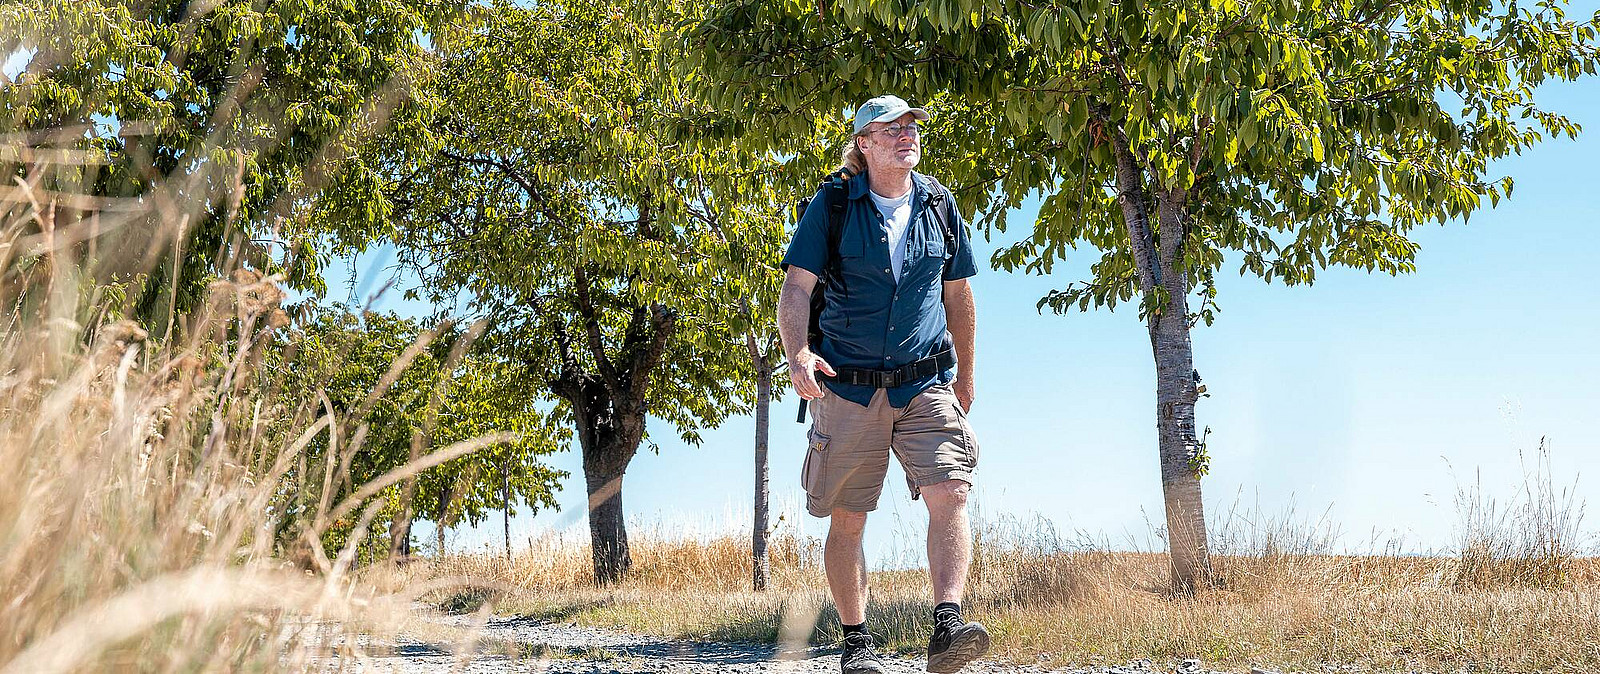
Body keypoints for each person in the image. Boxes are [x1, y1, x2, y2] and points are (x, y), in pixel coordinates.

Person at [777, 94, 988, 674]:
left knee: (952, 490)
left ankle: (947, 627)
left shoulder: (940, 206)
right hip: (847, 387)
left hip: (925, 382)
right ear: (864, 144)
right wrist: (798, 353)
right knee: (848, 517)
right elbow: (796, 289)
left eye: (911, 126)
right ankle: (856, 642)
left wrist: (964, 383)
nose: (906, 135)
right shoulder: (834, 205)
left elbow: (958, 297)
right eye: (890, 128)